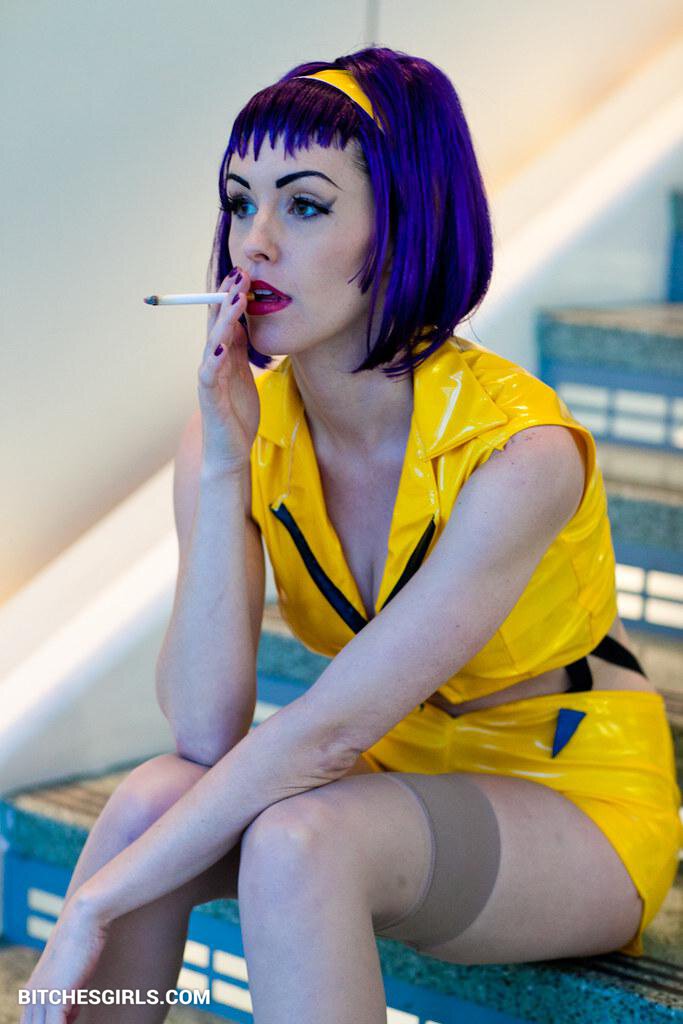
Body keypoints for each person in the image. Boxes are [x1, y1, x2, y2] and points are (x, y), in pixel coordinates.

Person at [21, 45, 683, 1024]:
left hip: (565, 790)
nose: (253, 245)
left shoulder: (519, 454)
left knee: (297, 845)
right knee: (152, 799)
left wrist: (94, 901)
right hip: (390, 773)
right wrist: (222, 462)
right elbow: (204, 730)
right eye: (239, 203)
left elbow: (324, 735)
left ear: (405, 222)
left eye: (304, 205)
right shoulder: (241, 431)